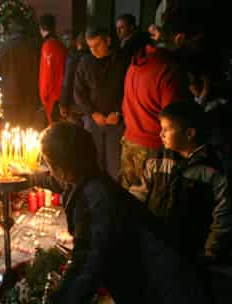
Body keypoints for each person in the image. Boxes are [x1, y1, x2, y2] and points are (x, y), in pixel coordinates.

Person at [19, 122, 206, 304]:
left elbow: (87, 263)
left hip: (159, 284)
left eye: (50, 163)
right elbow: (59, 183)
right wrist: (29, 177)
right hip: (152, 274)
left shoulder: (96, 200)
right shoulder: (88, 177)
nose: (50, 170)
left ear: (62, 168)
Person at [130, 101, 232, 263]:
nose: (160, 134)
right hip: (157, 246)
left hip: (192, 252)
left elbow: (223, 214)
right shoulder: (156, 160)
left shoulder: (214, 169)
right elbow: (136, 197)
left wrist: (211, 251)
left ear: (190, 133)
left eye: (167, 129)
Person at [120, 32, 185, 189]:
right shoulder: (167, 70)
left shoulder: (132, 68)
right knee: (152, 201)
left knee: (127, 198)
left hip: (129, 141)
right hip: (153, 147)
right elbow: (173, 115)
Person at [74, 28, 129, 180]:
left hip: (116, 121)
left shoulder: (122, 61)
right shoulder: (85, 62)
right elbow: (79, 93)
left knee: (114, 166)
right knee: (93, 163)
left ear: (108, 41)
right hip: (93, 121)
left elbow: (128, 91)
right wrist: (92, 113)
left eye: (97, 45)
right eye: (90, 46)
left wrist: (118, 113)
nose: (94, 50)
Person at [0, 21, 40, 128]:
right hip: (29, 94)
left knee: (12, 129)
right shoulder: (31, 45)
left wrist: (7, 76)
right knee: (28, 128)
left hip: (10, 96)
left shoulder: (6, 45)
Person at [38, 14, 67, 124]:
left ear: (40, 28)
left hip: (53, 97)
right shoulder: (59, 43)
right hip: (62, 94)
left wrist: (43, 96)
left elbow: (47, 74)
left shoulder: (48, 46)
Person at [59, 32, 89, 125]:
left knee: (74, 134)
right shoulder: (93, 58)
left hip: (74, 105)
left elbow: (67, 82)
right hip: (89, 106)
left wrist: (63, 103)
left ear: (77, 43)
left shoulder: (73, 58)